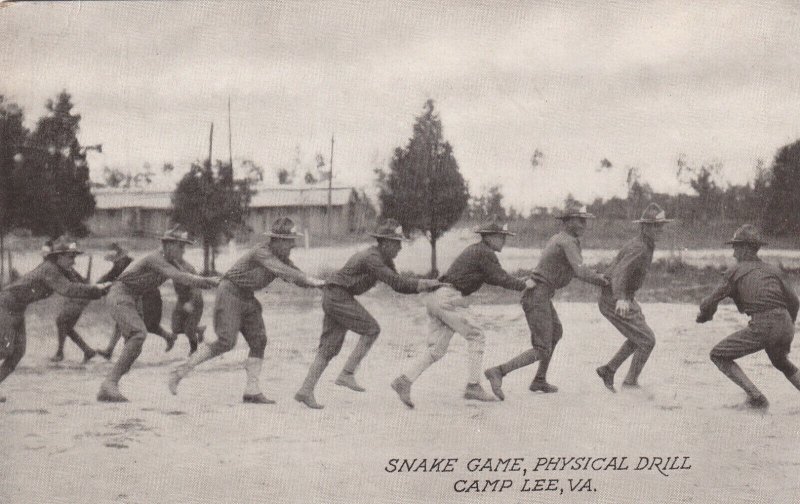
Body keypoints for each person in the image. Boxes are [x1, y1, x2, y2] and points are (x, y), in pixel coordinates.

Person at [168, 217, 325, 404]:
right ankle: (180, 371)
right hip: (230, 293)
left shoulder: (281, 258)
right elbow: (285, 272)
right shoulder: (262, 252)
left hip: (247, 297)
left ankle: (252, 390)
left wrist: (321, 284)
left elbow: (296, 276)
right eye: (290, 241)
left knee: (259, 340)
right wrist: (314, 281)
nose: (293, 245)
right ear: (279, 240)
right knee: (226, 342)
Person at [294, 219, 442, 409]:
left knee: (328, 349)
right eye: (397, 244)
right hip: (338, 296)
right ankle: (347, 373)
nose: (400, 249)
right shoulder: (373, 258)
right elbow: (397, 283)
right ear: (386, 243)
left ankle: (305, 390)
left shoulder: (383, 258)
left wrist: (425, 285)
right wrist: (425, 284)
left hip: (335, 295)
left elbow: (399, 284)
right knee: (371, 329)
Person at [391, 217, 531, 408]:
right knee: (477, 336)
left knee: (437, 350)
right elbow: (500, 278)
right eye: (501, 236)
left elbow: (495, 276)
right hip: (449, 298)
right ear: (490, 237)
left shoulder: (478, 251)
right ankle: (473, 386)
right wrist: (524, 284)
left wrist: (518, 280)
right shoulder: (484, 252)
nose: (504, 240)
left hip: (438, 297)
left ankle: (404, 381)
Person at [484, 201, 608, 400]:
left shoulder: (564, 239)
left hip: (541, 294)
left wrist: (597, 275)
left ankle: (539, 379)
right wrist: (603, 281)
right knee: (542, 347)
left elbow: (575, 270)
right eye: (580, 220)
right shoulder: (566, 241)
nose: (584, 225)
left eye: (585, 221)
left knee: (555, 333)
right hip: (537, 295)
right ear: (568, 222)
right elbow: (580, 271)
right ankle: (499, 371)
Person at [97, 226, 219, 403]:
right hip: (121, 294)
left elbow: (188, 275)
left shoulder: (171, 261)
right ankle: (109, 384)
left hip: (134, 297)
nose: (183, 250)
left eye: (184, 246)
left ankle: (110, 385)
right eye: (180, 246)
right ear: (167, 245)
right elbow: (179, 277)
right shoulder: (156, 258)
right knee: (138, 335)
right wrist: (208, 281)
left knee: (136, 343)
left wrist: (214, 283)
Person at [696, 224, 800, 410]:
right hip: (786, 323)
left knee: (718, 355)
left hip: (765, 325)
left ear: (745, 248)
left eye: (735, 247)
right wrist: (787, 329)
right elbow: (794, 302)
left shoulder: (734, 272)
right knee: (781, 362)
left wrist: (704, 316)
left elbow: (709, 302)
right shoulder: (773, 270)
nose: (733, 253)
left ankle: (756, 398)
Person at [0, 237, 110, 402]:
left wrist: (101, 289)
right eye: (70, 257)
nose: (73, 261)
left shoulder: (63, 270)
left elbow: (80, 285)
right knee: (5, 350)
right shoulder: (50, 269)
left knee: (17, 352)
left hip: (17, 310)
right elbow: (68, 289)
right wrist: (97, 291)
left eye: (75, 257)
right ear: (58, 257)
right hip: (5, 306)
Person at [595, 203, 673, 392]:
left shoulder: (645, 244)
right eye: (656, 226)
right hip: (614, 298)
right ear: (644, 226)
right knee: (647, 339)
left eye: (661, 225)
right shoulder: (639, 247)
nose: (660, 229)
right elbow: (620, 273)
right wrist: (621, 298)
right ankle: (629, 382)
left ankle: (609, 369)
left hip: (623, 296)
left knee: (640, 335)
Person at [96, 245, 176, 360]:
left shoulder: (126, 265)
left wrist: (94, 286)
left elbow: (108, 278)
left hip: (148, 295)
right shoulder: (123, 264)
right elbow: (109, 277)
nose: (115, 262)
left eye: (116, 260)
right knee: (125, 321)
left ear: (121, 258)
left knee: (145, 325)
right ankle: (110, 350)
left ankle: (123, 352)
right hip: (141, 295)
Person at [50, 242, 99, 364]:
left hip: (79, 296)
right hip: (79, 296)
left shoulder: (65, 266)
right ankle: (87, 351)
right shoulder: (66, 266)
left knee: (61, 322)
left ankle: (60, 353)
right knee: (65, 326)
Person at [169, 260, 206, 355]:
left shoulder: (188, 269)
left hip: (195, 301)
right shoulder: (169, 265)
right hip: (182, 300)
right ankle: (199, 329)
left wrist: (191, 303)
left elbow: (196, 288)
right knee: (175, 328)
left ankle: (194, 351)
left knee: (189, 330)